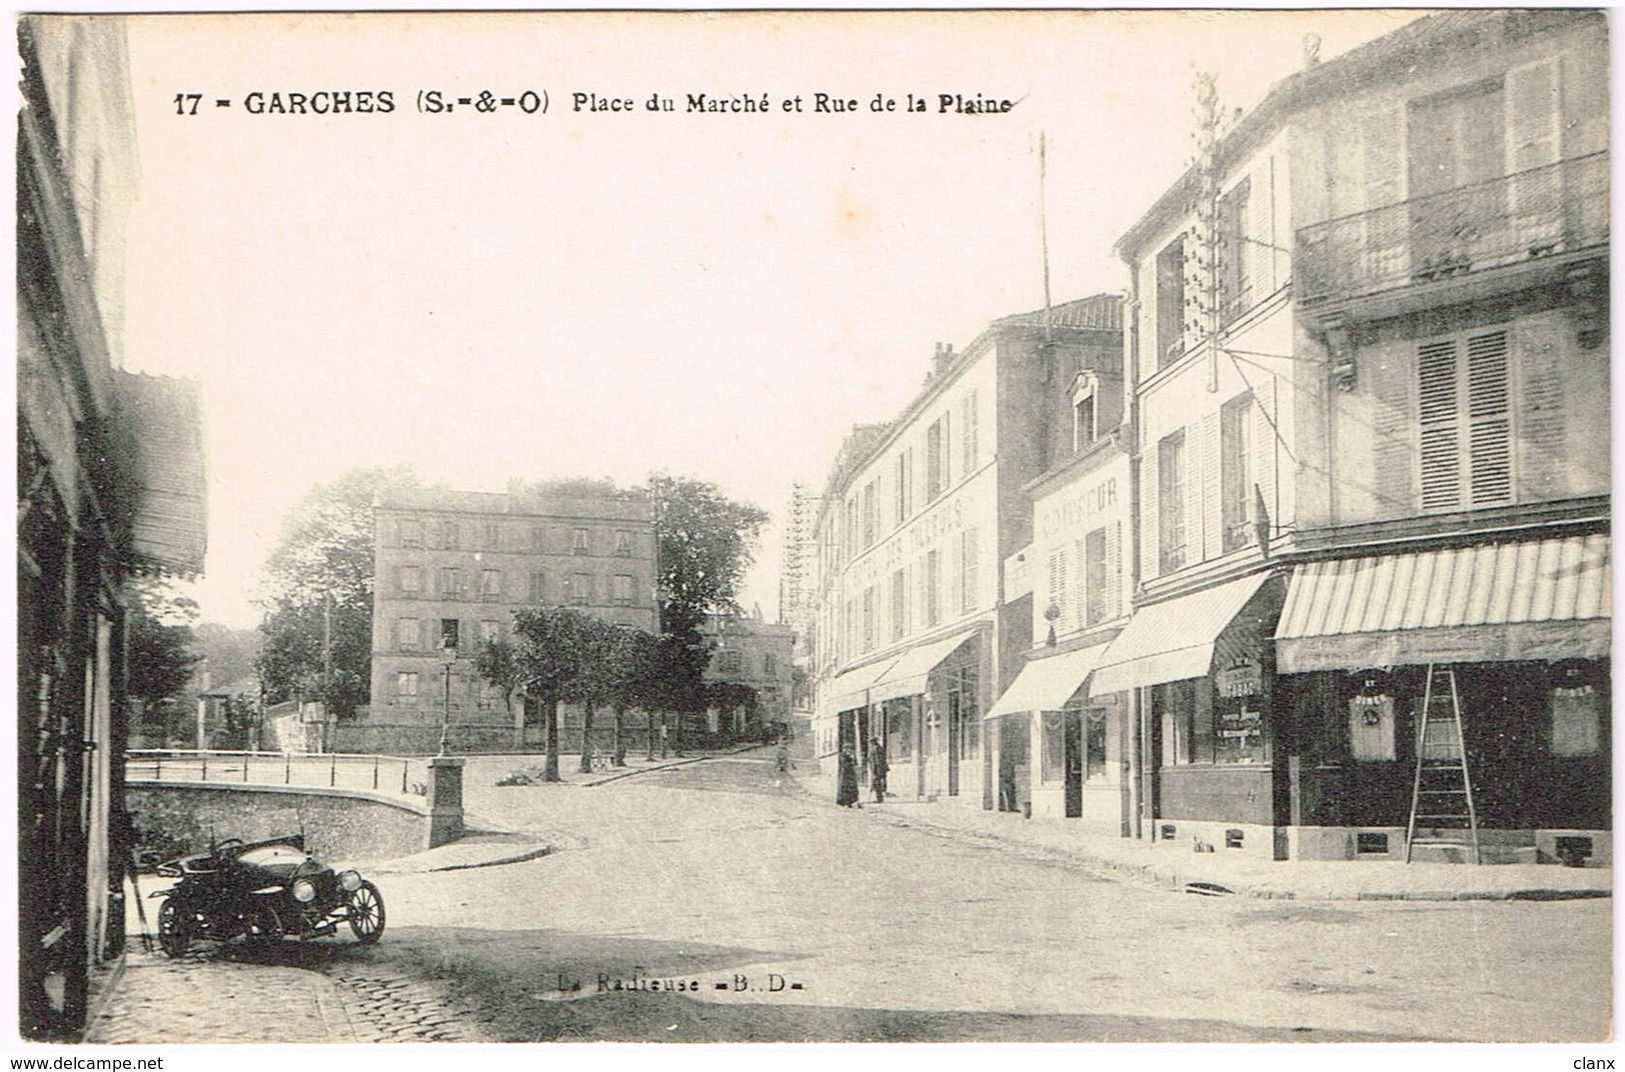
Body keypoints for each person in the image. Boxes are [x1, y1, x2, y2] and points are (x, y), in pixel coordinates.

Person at [836, 742, 859, 807]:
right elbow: (844, 765)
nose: (850, 751)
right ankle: (844, 802)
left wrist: (853, 758)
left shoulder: (851, 755)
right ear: (845, 749)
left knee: (852, 788)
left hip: (851, 774)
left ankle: (851, 802)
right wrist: (851, 762)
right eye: (848, 749)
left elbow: (855, 763)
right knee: (845, 788)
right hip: (845, 775)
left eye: (851, 749)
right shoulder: (842, 756)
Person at [868, 735, 889, 803]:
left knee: (877, 784)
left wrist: (874, 770)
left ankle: (879, 799)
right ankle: (880, 798)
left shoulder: (875, 749)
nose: (870, 743)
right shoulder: (880, 748)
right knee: (879, 783)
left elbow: (876, 761)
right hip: (881, 768)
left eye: (871, 742)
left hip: (878, 768)